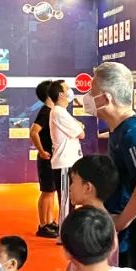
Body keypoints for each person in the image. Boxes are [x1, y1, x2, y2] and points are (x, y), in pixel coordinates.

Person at [83, 62, 136, 271]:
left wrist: (123, 221)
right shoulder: (118, 130)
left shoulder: (132, 133)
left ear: (106, 98)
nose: (87, 98)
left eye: (92, 92)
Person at [49, 80, 85, 228]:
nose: (70, 91)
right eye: (67, 88)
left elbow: (80, 129)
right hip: (64, 164)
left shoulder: (62, 112)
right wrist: (79, 126)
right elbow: (81, 133)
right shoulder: (58, 112)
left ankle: (67, 232)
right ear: (61, 94)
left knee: (70, 201)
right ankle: (64, 234)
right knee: (66, 203)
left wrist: (79, 126)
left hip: (70, 163)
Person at [29, 80, 59, 239]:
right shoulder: (45, 111)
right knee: (47, 192)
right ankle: (43, 225)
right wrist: (41, 151)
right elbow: (33, 132)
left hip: (53, 157)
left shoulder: (52, 111)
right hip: (46, 158)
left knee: (51, 191)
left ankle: (50, 221)